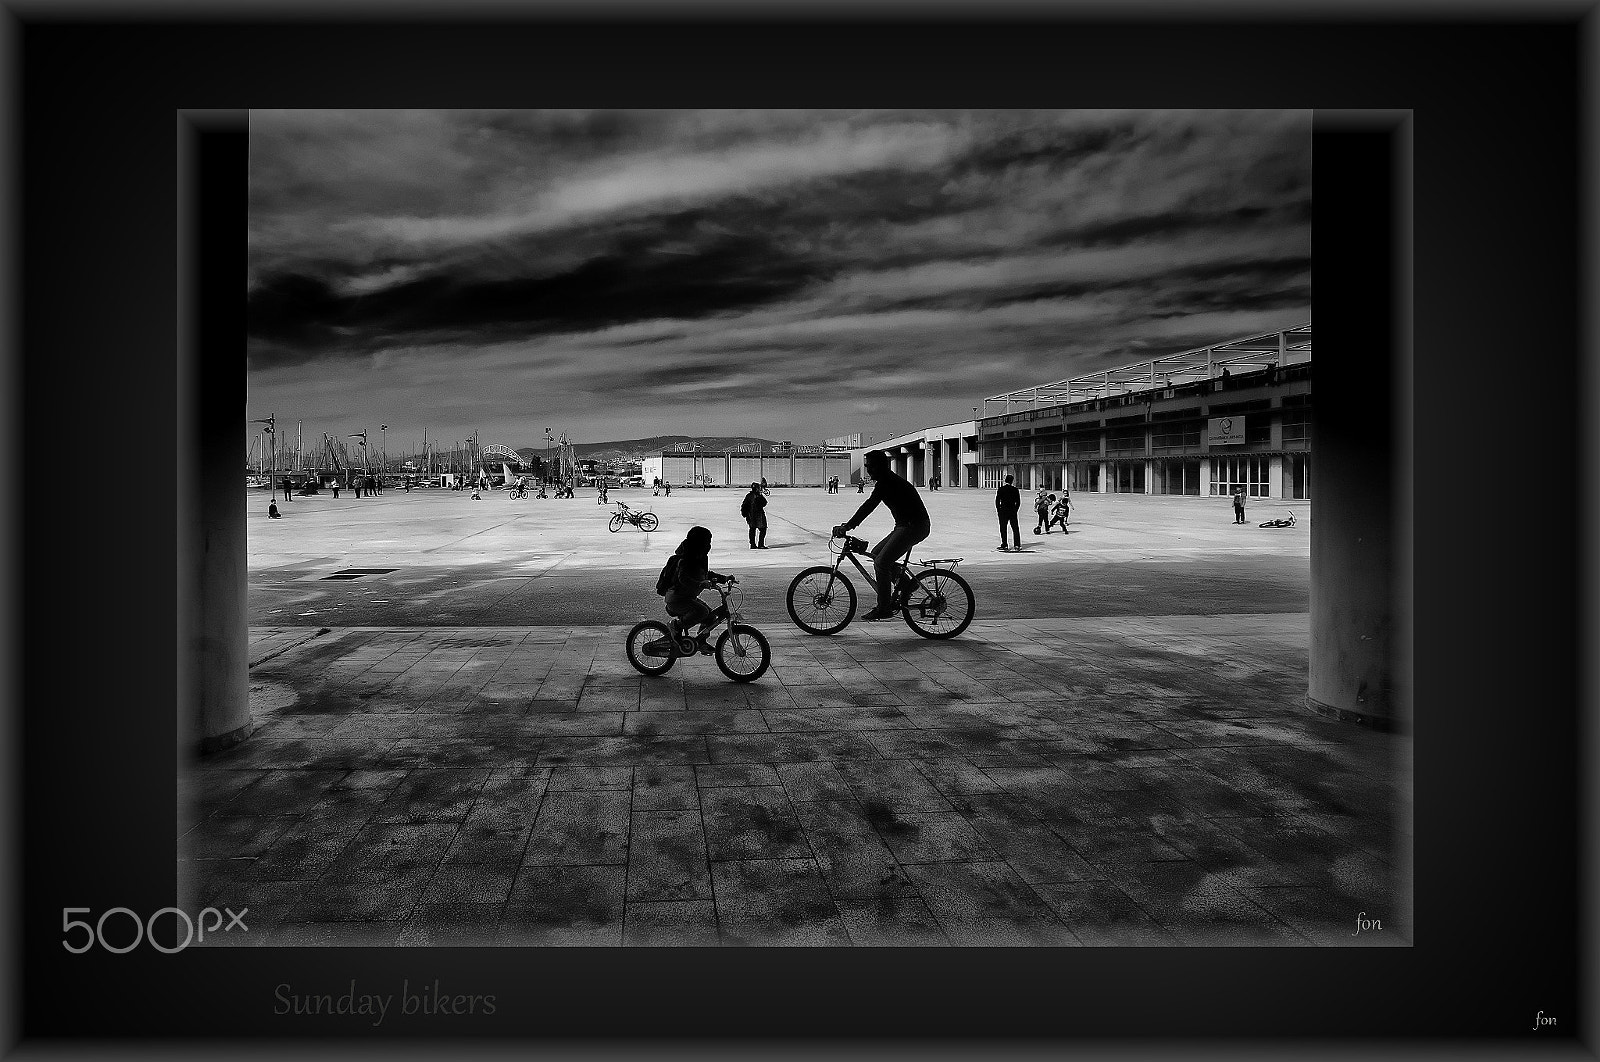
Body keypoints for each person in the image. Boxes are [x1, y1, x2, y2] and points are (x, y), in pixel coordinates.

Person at [833, 449, 930, 620]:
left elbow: (869, 506)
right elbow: (868, 506)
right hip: (905, 525)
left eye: (871, 466)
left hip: (913, 527)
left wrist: (848, 526)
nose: (868, 470)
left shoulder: (887, 482)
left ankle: (884, 607)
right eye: (867, 466)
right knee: (877, 553)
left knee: (881, 563)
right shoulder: (886, 481)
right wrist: (849, 525)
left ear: (880, 466)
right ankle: (908, 584)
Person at [663, 525, 728, 649]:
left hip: (688, 597)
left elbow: (705, 574)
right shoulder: (685, 559)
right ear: (698, 543)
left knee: (710, 617)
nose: (709, 545)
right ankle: (675, 626)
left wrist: (724, 579)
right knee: (702, 611)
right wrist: (700, 584)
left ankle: (700, 642)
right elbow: (683, 579)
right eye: (706, 542)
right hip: (677, 598)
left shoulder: (699, 557)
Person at [995, 474, 1022, 551]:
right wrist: (1015, 510)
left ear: (1005, 480)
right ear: (1012, 481)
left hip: (1003, 510)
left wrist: (998, 510)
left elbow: (997, 501)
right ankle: (1017, 545)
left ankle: (1004, 544)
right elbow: (1018, 502)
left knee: (1003, 528)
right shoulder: (1015, 490)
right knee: (1015, 528)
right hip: (1012, 510)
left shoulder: (1001, 489)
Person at [741, 481, 768, 549]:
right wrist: (760, 495)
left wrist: (745, 515)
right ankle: (760, 544)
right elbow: (764, 503)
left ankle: (752, 545)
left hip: (751, 516)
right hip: (758, 516)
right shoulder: (758, 496)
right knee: (763, 529)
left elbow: (744, 506)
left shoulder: (748, 496)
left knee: (752, 529)